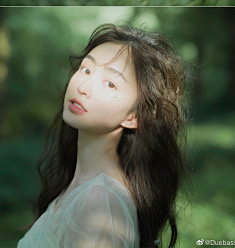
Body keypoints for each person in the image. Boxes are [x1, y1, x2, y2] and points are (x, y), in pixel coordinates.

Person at [17, 23, 187, 248]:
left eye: (110, 83)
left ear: (134, 116)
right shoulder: (83, 186)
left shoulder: (99, 202)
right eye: (86, 69)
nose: (83, 86)